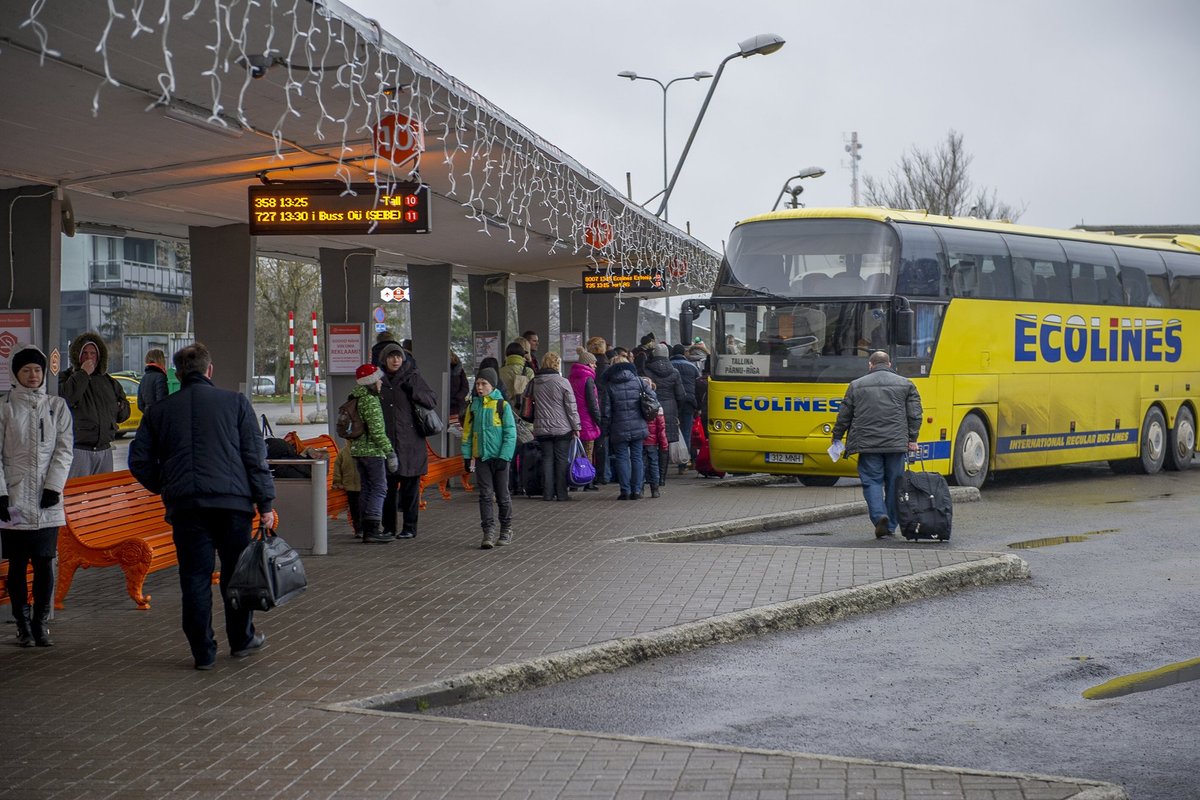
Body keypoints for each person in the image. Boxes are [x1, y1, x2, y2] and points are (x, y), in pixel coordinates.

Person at [128, 343, 276, 670]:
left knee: (194, 577)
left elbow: (138, 461)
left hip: (187, 508)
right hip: (233, 505)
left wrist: (166, 486)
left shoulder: (159, 412)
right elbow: (255, 458)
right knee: (235, 575)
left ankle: (203, 652)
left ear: (178, 374)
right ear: (210, 370)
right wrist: (265, 502)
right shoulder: (235, 403)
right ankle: (241, 640)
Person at [0, 345, 73, 647]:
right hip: (14, 500)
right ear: (15, 373)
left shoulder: (57, 406)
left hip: (47, 502)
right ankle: (22, 624)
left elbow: (64, 450)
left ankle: (40, 622)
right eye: (27, 369)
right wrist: (1, 493)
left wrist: (54, 487)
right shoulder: (4, 406)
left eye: (37, 370)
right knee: (17, 564)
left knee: (45, 563)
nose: (33, 375)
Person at [830, 351, 922, 538]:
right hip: (896, 445)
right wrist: (912, 439)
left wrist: (837, 437)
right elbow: (914, 415)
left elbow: (844, 416)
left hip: (868, 444)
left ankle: (879, 516)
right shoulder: (906, 384)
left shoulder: (856, 385)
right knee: (895, 483)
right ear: (889, 364)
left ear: (870, 365)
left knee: (871, 481)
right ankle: (891, 526)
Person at [377, 341, 438, 539]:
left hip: (411, 443)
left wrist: (414, 391)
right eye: (391, 356)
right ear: (384, 360)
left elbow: (431, 400)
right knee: (387, 489)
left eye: (398, 356)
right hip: (387, 443)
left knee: (411, 488)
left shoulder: (413, 376)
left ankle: (410, 528)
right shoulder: (378, 380)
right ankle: (388, 527)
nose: (395, 360)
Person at [60, 331, 130, 477]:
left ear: (99, 357)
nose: (89, 357)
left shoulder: (109, 381)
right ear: (77, 356)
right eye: (84, 353)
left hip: (104, 450)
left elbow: (124, 411)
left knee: (103, 495)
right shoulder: (66, 378)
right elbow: (67, 397)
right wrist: (83, 374)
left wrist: (120, 408)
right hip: (78, 449)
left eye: (93, 353)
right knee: (76, 496)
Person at [461, 367, 516, 549]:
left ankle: (506, 529)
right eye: (477, 383)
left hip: (500, 458)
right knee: (485, 495)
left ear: (492, 385)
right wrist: (467, 457)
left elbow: (510, 433)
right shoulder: (473, 406)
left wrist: (504, 456)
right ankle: (488, 532)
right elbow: (468, 434)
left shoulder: (502, 405)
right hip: (482, 457)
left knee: (502, 494)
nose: (480, 387)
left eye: (484, 383)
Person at [349, 364, 399, 544]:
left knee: (367, 488)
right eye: (377, 379)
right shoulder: (370, 400)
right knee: (379, 488)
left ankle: (363, 528)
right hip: (372, 452)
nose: (380, 382)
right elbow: (377, 431)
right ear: (371, 381)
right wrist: (390, 451)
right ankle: (372, 529)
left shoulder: (357, 396)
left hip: (359, 451)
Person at [528, 352, 580, 502]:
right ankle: (562, 493)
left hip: (542, 427)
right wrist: (576, 426)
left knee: (547, 460)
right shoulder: (563, 382)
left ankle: (548, 493)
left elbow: (527, 401)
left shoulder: (534, 382)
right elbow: (571, 407)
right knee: (561, 460)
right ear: (557, 364)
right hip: (562, 427)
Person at [601, 356, 648, 500]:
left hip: (618, 427)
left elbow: (606, 411)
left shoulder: (610, 385)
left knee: (622, 458)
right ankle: (637, 490)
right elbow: (652, 400)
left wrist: (605, 429)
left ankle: (625, 491)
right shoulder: (639, 381)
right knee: (637, 457)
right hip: (638, 425)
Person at [642, 343, 685, 487]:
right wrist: (676, 411)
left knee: (650, 442)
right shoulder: (674, 372)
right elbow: (681, 395)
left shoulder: (646, 370)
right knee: (664, 444)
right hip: (670, 409)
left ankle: (651, 476)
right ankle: (661, 478)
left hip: (650, 410)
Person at [567, 348, 601, 492]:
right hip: (586, 419)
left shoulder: (571, 378)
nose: (595, 366)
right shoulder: (588, 380)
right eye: (593, 363)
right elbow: (592, 403)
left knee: (574, 451)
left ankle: (573, 479)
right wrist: (598, 420)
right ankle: (587, 481)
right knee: (587, 450)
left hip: (573, 419)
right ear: (587, 364)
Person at [670, 344, 701, 472]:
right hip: (688, 401)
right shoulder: (692, 367)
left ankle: (669, 458)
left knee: (671, 431)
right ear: (684, 353)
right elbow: (697, 385)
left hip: (673, 402)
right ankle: (683, 463)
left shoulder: (669, 365)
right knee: (686, 431)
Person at [640, 377, 667, 499]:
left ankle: (639, 489)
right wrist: (664, 444)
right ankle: (655, 489)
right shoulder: (657, 406)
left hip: (639, 440)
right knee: (653, 465)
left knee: (640, 464)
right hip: (652, 442)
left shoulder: (637, 404)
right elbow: (661, 428)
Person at [330, 437, 361, 538]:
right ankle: (359, 529)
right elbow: (337, 469)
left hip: (355, 486)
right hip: (351, 487)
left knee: (358, 509)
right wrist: (337, 482)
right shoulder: (344, 452)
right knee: (355, 509)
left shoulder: (344, 451)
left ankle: (361, 529)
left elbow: (337, 469)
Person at [137, 348, 169, 414]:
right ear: (160, 360)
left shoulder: (144, 378)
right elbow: (161, 401)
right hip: (158, 419)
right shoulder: (160, 376)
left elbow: (140, 404)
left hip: (148, 418)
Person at [448, 352, 470, 421]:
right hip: (444, 402)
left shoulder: (459, 371)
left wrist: (458, 397)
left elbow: (465, 387)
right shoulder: (443, 369)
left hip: (457, 405)